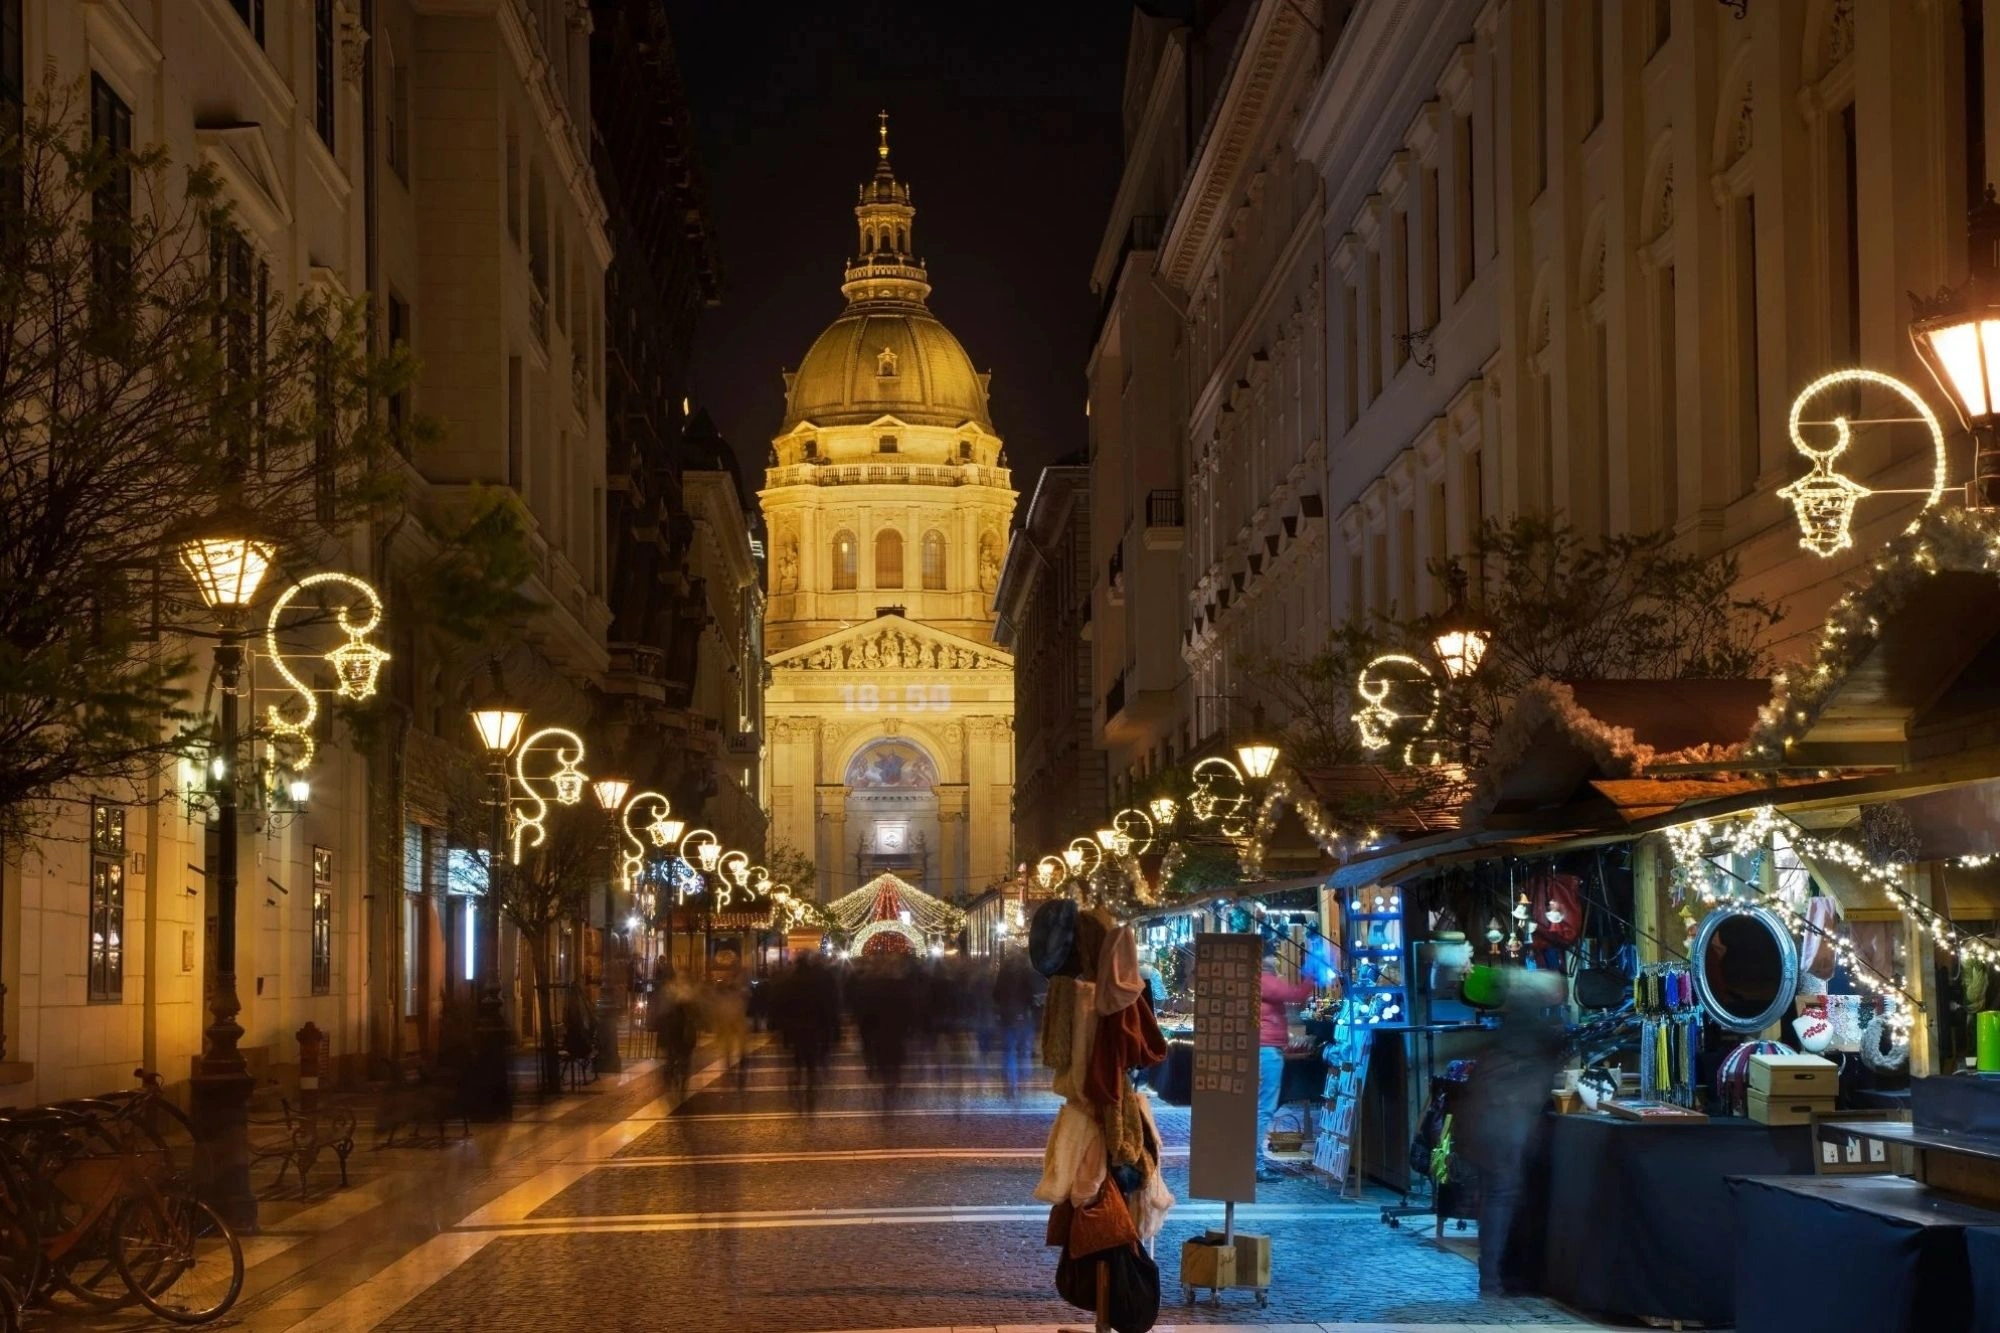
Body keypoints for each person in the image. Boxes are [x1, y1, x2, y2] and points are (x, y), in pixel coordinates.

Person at [1458, 967, 1567, 1295]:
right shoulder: (1537, 1036)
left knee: (1496, 1197)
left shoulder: (1507, 1038)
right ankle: (1494, 1278)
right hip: (1504, 1129)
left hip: (1487, 1126)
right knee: (1501, 1198)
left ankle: (1496, 1274)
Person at [1256, 939, 1315, 1181]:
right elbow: (1295, 995)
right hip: (1267, 1049)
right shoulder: (1263, 979)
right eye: (1273, 956)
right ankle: (1256, 1164)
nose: (1277, 960)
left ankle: (1254, 1161)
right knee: (1264, 1108)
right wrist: (1311, 974)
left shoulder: (1256, 978)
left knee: (1260, 1107)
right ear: (1264, 958)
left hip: (1264, 1047)